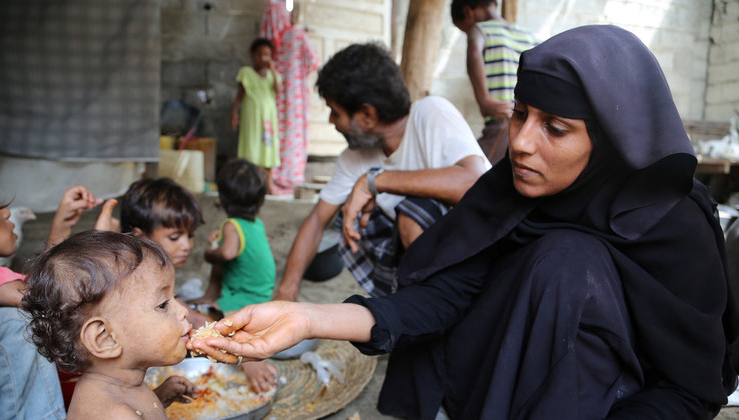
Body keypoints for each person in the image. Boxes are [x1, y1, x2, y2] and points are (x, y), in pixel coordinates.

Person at [189, 25, 739, 419]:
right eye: (520, 114)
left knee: (570, 261)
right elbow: (445, 299)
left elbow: (690, 390)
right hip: (508, 385)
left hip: (625, 402)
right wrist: (306, 318)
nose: (520, 143)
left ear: (611, 141)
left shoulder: (673, 222)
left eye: (556, 127)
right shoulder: (514, 192)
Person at [273, 42, 489, 301]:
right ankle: (413, 302)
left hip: (482, 254)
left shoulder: (431, 113)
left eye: (335, 112)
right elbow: (317, 222)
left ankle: (437, 308)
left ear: (367, 114)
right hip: (426, 265)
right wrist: (286, 292)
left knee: (415, 211)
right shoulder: (354, 159)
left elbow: (474, 182)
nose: (332, 121)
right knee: (346, 213)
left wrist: (375, 181)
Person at [0, 158, 118, 420]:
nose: (5, 212)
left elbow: (42, 289)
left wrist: (61, 229)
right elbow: (53, 298)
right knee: (17, 322)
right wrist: (102, 250)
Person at [118, 177, 278, 392]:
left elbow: (181, 309)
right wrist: (240, 353)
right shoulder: (131, 280)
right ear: (139, 236)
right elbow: (184, 314)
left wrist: (240, 350)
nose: (187, 245)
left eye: (190, 235)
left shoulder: (158, 274)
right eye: (175, 237)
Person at [21, 231, 199, 418]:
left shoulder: (119, 384)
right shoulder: (113, 414)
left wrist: (158, 398)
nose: (183, 311)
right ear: (105, 338)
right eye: (162, 305)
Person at [450, 0, 537, 165]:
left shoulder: (480, 29)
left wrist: (484, 100)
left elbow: (474, 51)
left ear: (468, 12)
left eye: (463, 28)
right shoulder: (528, 35)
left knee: (474, 172)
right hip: (526, 121)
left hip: (502, 120)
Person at [192, 159, 275, 313]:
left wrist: (209, 252)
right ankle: (210, 296)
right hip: (262, 294)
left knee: (201, 315)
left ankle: (211, 300)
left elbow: (227, 253)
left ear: (222, 198)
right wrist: (219, 243)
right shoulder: (257, 224)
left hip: (242, 297)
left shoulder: (231, 225)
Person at [273, 4, 319, 195]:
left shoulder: (276, 38)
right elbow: (313, 61)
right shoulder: (298, 35)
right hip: (295, 92)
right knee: (294, 133)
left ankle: (277, 176)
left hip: (277, 92)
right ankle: (290, 178)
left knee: (280, 132)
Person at [231, 38, 282, 194]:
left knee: (268, 146)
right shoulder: (246, 73)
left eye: (267, 55)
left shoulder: (275, 75)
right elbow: (240, 95)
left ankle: (269, 184)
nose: (263, 58)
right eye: (259, 54)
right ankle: (250, 185)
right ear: (252, 55)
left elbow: (278, 91)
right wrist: (234, 113)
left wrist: (272, 70)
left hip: (268, 117)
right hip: (251, 117)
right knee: (251, 146)